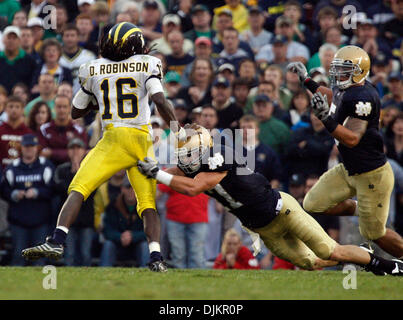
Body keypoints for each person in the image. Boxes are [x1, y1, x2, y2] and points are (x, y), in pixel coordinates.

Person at [22, 22, 185, 272]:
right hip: (141, 138)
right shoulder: (148, 63)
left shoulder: (93, 68)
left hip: (112, 138)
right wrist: (178, 130)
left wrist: (99, 100)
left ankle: (57, 240)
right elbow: (159, 100)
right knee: (147, 203)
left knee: (79, 187)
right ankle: (155, 257)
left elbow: (76, 111)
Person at [137, 124, 403, 276]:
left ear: (204, 149)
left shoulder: (220, 157)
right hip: (265, 230)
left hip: (282, 210)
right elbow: (176, 173)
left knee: (329, 251)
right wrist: (153, 168)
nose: (186, 159)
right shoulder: (194, 162)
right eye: (185, 154)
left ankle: (385, 265)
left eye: (191, 153)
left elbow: (194, 188)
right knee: (311, 263)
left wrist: (157, 174)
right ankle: (361, 256)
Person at [287, 45, 403, 259]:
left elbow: (352, 139)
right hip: (349, 169)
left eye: (344, 69)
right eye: (338, 69)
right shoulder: (347, 88)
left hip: (371, 174)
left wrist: (325, 120)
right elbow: (333, 96)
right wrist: (307, 81)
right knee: (313, 203)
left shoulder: (363, 97)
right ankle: (364, 208)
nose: (339, 74)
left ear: (359, 71)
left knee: (374, 233)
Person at [0, 133, 53, 266]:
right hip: (18, 221)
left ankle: (40, 286)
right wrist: (13, 194)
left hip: (41, 221)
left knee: (39, 258)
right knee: (18, 255)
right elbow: (3, 190)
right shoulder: (12, 168)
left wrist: (38, 192)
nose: (29, 149)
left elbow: (54, 190)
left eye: (32, 146)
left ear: (36, 148)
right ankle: (16, 287)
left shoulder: (46, 166)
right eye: (26, 146)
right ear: (21, 148)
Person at [54, 138, 94, 266]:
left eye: (78, 148)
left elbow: (92, 191)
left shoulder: (91, 169)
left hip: (86, 219)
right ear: (68, 151)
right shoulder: (61, 169)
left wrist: (78, 171)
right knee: (69, 254)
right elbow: (60, 189)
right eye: (72, 148)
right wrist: (75, 173)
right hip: (68, 221)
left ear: (84, 151)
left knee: (86, 254)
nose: (75, 151)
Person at [100, 176, 149, 267]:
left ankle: (147, 272)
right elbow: (107, 230)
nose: (131, 191)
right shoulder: (113, 206)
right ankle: (104, 272)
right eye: (128, 188)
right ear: (122, 189)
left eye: (134, 188)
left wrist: (132, 236)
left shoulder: (147, 207)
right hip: (117, 244)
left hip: (137, 245)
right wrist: (120, 237)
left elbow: (151, 231)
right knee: (108, 244)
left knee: (145, 246)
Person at [38, 95, 88, 166]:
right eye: (59, 107)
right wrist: (70, 153)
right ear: (54, 108)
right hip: (49, 167)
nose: (62, 110)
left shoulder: (79, 130)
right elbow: (42, 153)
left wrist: (52, 153)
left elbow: (82, 153)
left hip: (72, 168)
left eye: (64, 107)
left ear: (69, 109)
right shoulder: (44, 129)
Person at [0, 26, 36, 93]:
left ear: (19, 41)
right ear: (3, 40)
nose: (11, 41)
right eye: (9, 38)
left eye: (14, 38)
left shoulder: (29, 60)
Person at [0, 96, 32, 168]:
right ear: (5, 109)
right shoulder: (0, 131)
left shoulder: (28, 133)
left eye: (17, 107)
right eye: (11, 106)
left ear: (23, 110)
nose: (14, 110)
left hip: (22, 171)